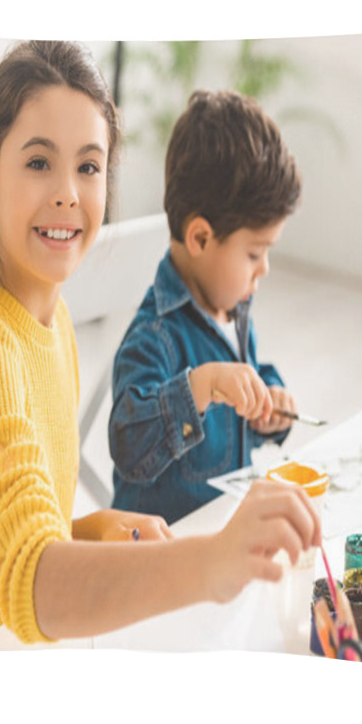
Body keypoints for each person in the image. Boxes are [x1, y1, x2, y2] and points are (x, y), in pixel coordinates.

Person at [0, 42, 320, 666]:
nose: (68, 192)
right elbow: (34, 582)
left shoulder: (51, 321)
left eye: (89, 167)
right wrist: (212, 561)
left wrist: (87, 529)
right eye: (39, 162)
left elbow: (9, 538)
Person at [109, 89, 303, 524]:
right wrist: (202, 385)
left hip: (219, 543)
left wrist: (266, 400)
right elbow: (129, 445)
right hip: (159, 564)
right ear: (200, 238)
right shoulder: (154, 336)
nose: (264, 269)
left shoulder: (233, 312)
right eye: (254, 254)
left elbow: (242, 393)